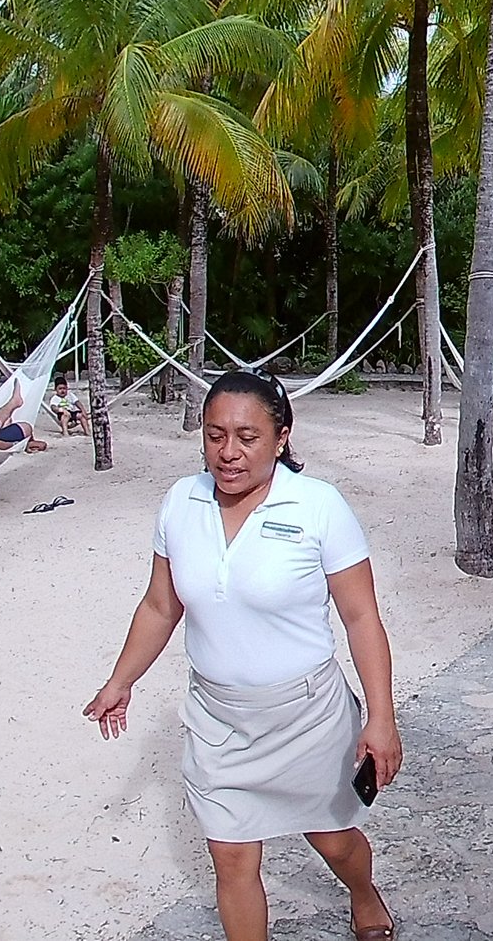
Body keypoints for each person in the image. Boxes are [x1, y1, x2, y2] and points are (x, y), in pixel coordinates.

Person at [83, 370, 402, 941]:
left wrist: (382, 718)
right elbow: (160, 605)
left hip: (308, 719)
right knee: (230, 857)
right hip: (218, 722)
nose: (228, 452)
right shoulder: (181, 502)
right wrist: (120, 680)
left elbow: (361, 619)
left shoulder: (318, 506)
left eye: (247, 437)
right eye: (215, 436)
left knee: (333, 840)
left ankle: (363, 891)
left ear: (281, 438)